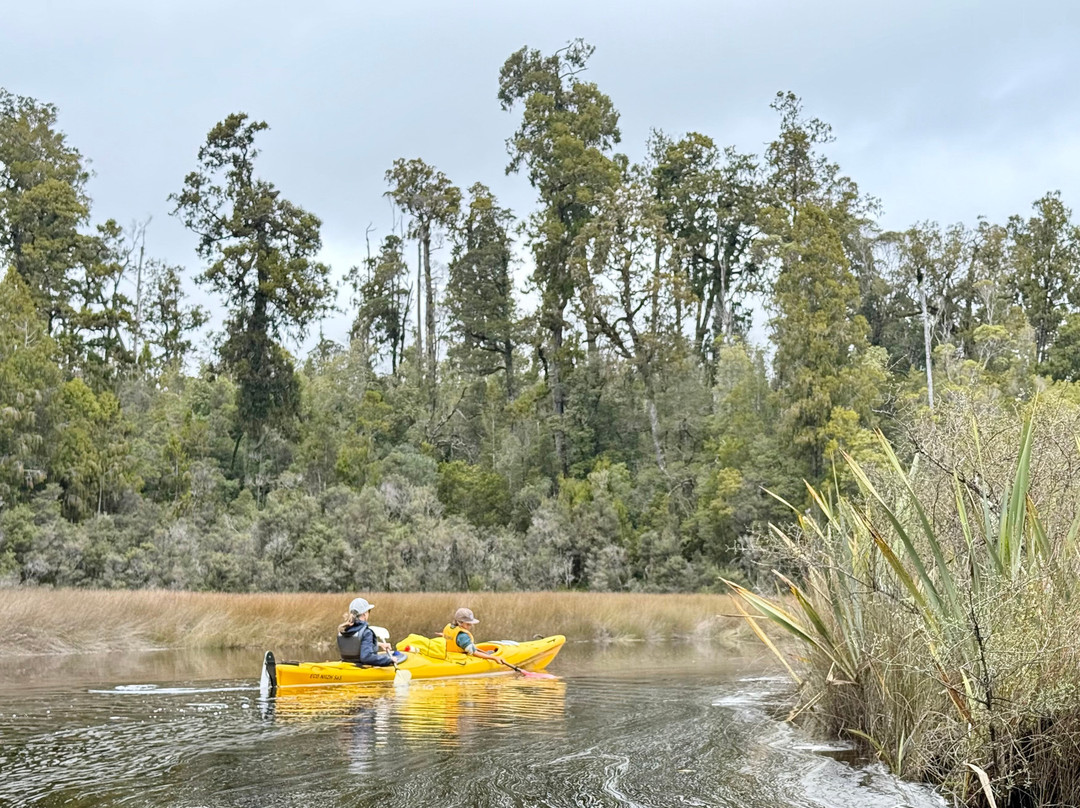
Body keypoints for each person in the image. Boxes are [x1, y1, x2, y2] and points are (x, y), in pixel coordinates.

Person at [337, 597, 394, 666]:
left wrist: (379, 644)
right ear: (364, 614)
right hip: (361, 668)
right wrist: (389, 660)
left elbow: (356, 643)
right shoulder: (366, 632)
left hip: (347, 665)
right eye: (369, 611)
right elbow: (366, 657)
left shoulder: (345, 629)